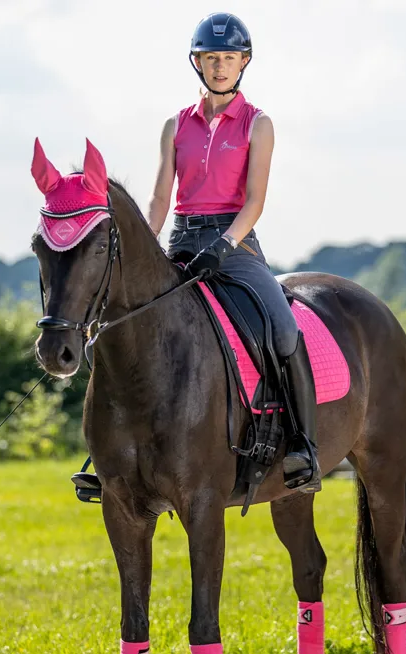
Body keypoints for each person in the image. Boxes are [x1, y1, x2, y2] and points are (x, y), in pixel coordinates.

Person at [146, 12, 321, 493]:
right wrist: (145, 244)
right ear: (196, 62)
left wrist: (223, 246)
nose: (219, 66)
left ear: (243, 62)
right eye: (210, 57)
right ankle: (112, 454)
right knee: (128, 320)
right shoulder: (174, 125)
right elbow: (162, 198)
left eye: (228, 57)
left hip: (236, 242)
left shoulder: (257, 124)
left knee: (284, 328)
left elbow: (255, 201)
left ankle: (305, 447)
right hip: (182, 238)